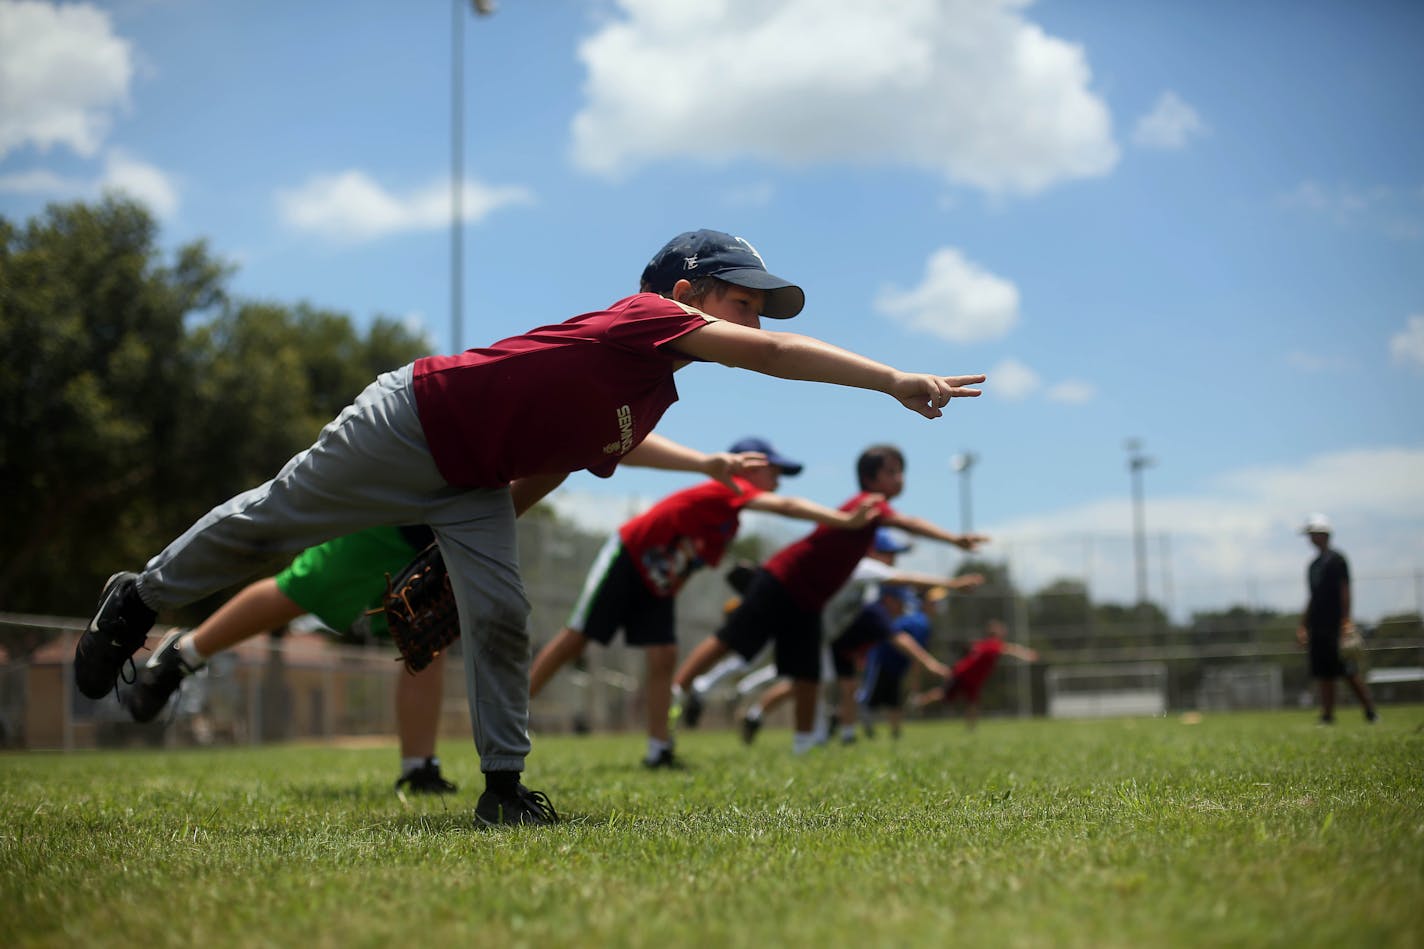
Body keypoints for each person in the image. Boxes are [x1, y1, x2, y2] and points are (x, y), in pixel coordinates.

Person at [73, 228, 987, 826]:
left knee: (501, 611)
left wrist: (457, 548)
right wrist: (893, 377)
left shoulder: (654, 396)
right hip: (412, 420)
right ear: (686, 289)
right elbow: (776, 355)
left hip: (471, 479)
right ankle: (139, 599)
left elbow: (564, 464)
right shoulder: (649, 317)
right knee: (273, 520)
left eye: (755, 301)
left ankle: (503, 787)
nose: (753, 312)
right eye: (741, 295)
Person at [528, 436, 879, 769]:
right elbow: (785, 506)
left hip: (659, 582)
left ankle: (659, 749)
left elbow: (688, 563)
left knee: (664, 656)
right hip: (630, 558)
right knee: (577, 639)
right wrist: (843, 520)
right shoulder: (724, 487)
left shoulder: (729, 524)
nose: (778, 480)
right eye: (774, 470)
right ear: (747, 466)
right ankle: (517, 711)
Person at [671, 444, 988, 755]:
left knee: (808, 674)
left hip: (808, 601)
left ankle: (804, 745)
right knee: (730, 641)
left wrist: (952, 582)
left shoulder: (869, 523)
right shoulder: (868, 503)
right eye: (892, 471)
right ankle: (677, 692)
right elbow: (910, 524)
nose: (900, 478)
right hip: (782, 580)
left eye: (901, 471)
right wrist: (953, 539)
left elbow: (901, 570)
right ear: (871, 478)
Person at [123, 526, 459, 794]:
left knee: (426, 636)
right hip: (395, 512)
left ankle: (418, 767)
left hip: (438, 529)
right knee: (301, 588)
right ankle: (185, 651)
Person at [1294, 513, 1378, 725]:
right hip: (1317, 625)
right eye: (1310, 535)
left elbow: (1344, 590)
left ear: (1325, 535)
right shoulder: (1313, 565)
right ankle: (1327, 715)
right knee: (1323, 672)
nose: (1311, 539)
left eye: (1314, 534)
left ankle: (1370, 711)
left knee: (1347, 670)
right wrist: (1303, 625)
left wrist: (1346, 620)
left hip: (1335, 624)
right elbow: (1312, 597)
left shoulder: (1337, 560)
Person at [913, 619, 1037, 729]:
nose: (1004, 632)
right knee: (944, 694)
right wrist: (1026, 654)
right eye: (1001, 630)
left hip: (971, 678)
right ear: (996, 633)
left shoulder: (984, 644)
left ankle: (971, 728)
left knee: (972, 702)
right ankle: (919, 701)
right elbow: (1010, 649)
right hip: (963, 675)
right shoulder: (993, 644)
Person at [857, 588, 936, 740]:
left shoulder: (920, 621)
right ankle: (854, 726)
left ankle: (895, 734)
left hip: (896, 667)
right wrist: (928, 668)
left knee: (893, 700)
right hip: (882, 661)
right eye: (933, 603)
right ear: (922, 604)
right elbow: (913, 652)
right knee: (870, 699)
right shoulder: (920, 622)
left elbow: (915, 656)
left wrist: (915, 687)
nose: (936, 606)